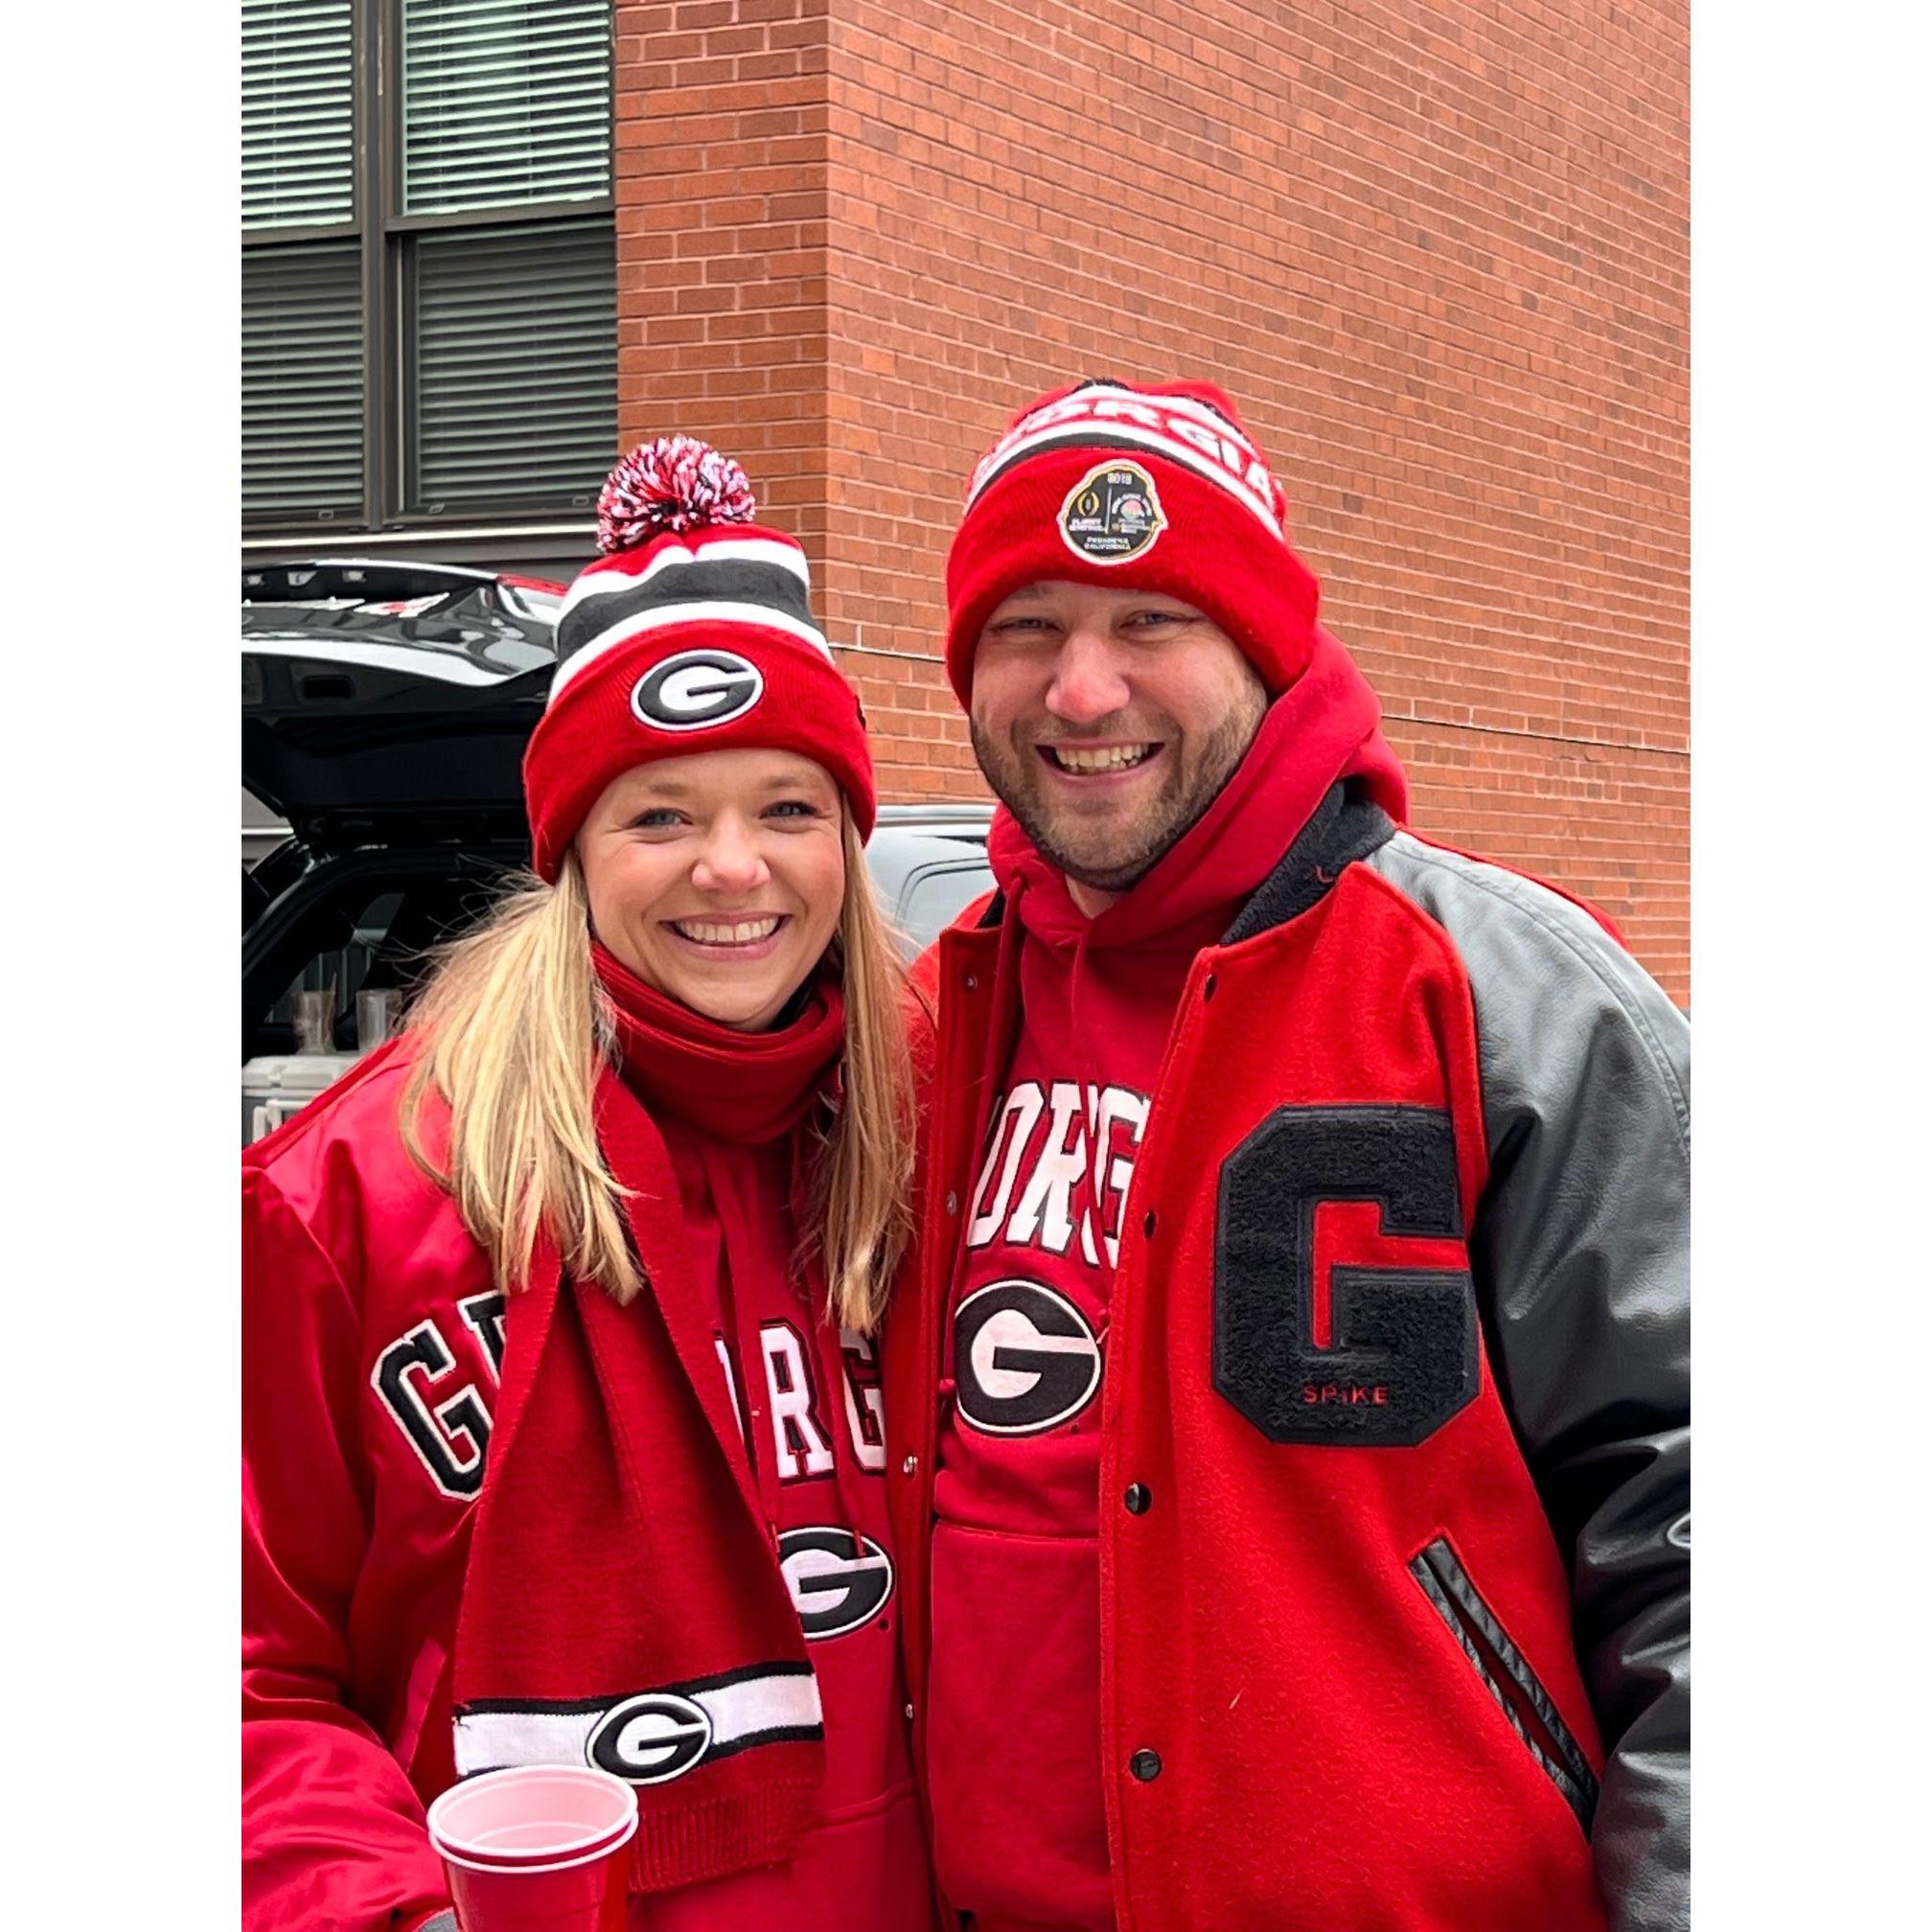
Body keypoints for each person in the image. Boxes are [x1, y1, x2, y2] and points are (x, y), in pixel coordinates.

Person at [881, 380, 1690, 1932]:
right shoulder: (939, 1015)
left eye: (1152, 621)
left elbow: (1696, 1513)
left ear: (1263, 648)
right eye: (1028, 628)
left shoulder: (1507, 995)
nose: (1083, 690)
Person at [243, 438, 937, 1932]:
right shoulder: (349, 1195)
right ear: (570, 854)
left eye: (789, 808)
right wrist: (387, 1909)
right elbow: (240, 1667)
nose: (732, 868)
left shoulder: (943, 1147)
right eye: (660, 814)